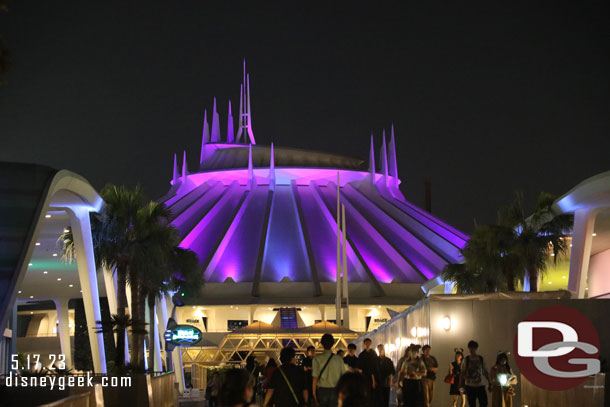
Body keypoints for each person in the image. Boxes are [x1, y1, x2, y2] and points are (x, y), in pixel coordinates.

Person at [312, 333, 346, 407]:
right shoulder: (339, 359)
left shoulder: (316, 359)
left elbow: (315, 378)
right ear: (333, 344)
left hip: (322, 391)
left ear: (321, 344)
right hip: (335, 391)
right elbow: (343, 377)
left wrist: (314, 394)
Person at [459, 340, 491, 407]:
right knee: (472, 404)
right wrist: (461, 384)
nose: (471, 349)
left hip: (480, 385)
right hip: (469, 385)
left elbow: (485, 371)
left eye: (473, 348)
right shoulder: (466, 359)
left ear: (476, 348)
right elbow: (462, 372)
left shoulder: (481, 359)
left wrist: (489, 382)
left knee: (484, 403)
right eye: (470, 348)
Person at [357, 338, 379, 407]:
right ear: (364, 344)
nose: (367, 345)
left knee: (372, 394)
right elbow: (359, 367)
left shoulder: (373, 354)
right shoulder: (362, 355)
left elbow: (376, 366)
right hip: (365, 376)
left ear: (370, 344)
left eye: (368, 343)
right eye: (366, 343)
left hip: (372, 376)